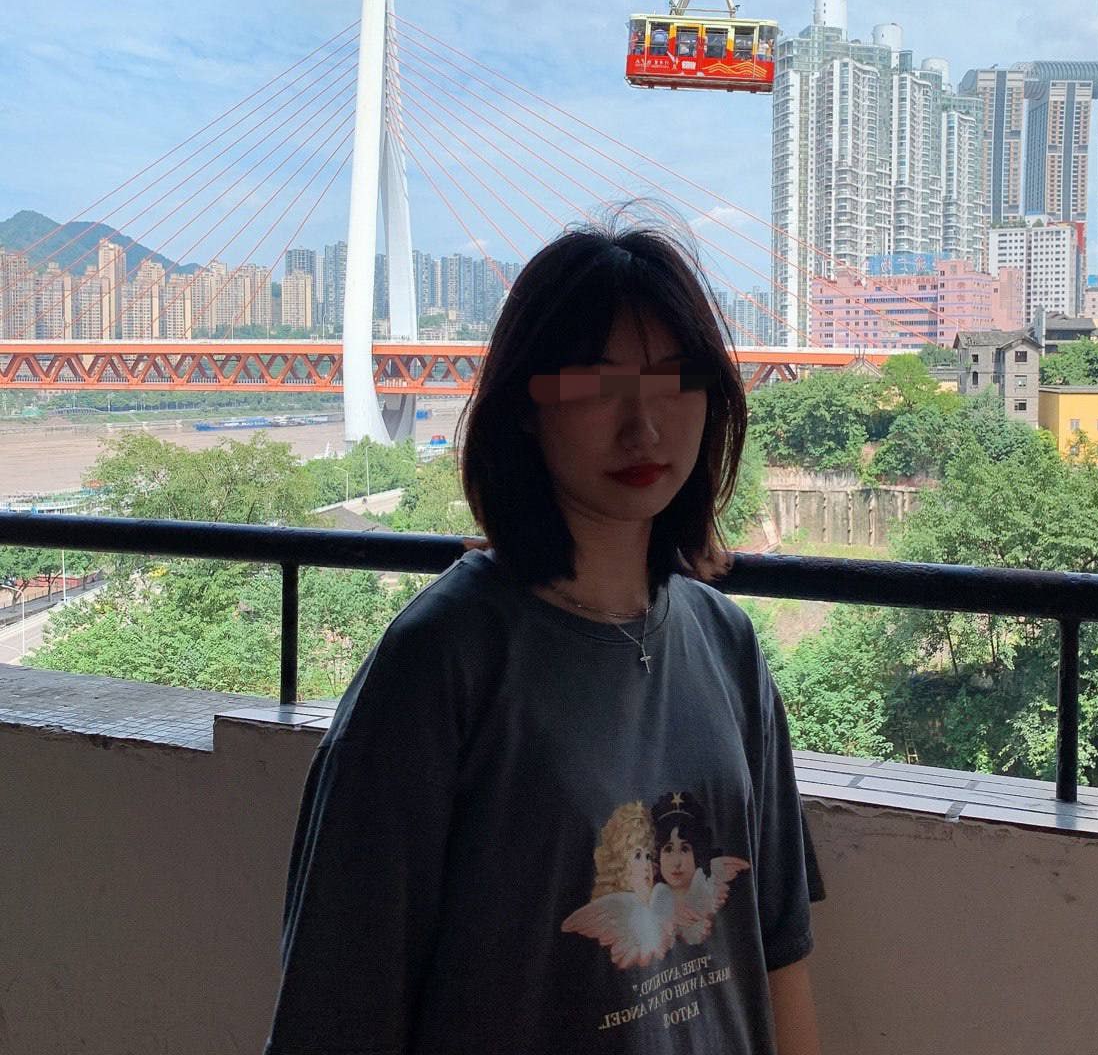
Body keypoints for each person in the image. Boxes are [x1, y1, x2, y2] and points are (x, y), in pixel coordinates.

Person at [262, 212, 825, 1054]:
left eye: (674, 381)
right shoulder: (443, 661)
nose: (644, 426)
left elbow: (776, 948)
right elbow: (339, 1003)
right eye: (596, 386)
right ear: (526, 408)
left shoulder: (727, 644)